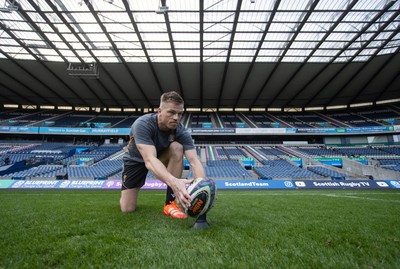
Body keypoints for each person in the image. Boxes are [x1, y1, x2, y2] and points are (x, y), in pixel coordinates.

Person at [120, 91, 206, 219]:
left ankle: (170, 204)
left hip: (160, 158)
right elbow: (149, 160)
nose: (176, 117)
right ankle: (125, 198)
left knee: (177, 147)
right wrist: (174, 182)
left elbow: (194, 160)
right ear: (159, 111)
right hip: (136, 161)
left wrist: (204, 186)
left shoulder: (181, 130)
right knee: (127, 208)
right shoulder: (142, 124)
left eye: (180, 113)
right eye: (171, 112)